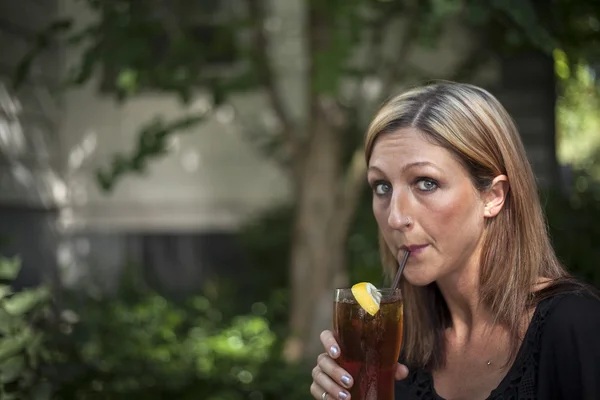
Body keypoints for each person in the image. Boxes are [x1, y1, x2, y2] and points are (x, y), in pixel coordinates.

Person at [310, 81, 600, 400]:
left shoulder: (576, 327)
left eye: (426, 183)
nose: (395, 217)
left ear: (492, 195)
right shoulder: (396, 351)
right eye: (382, 187)